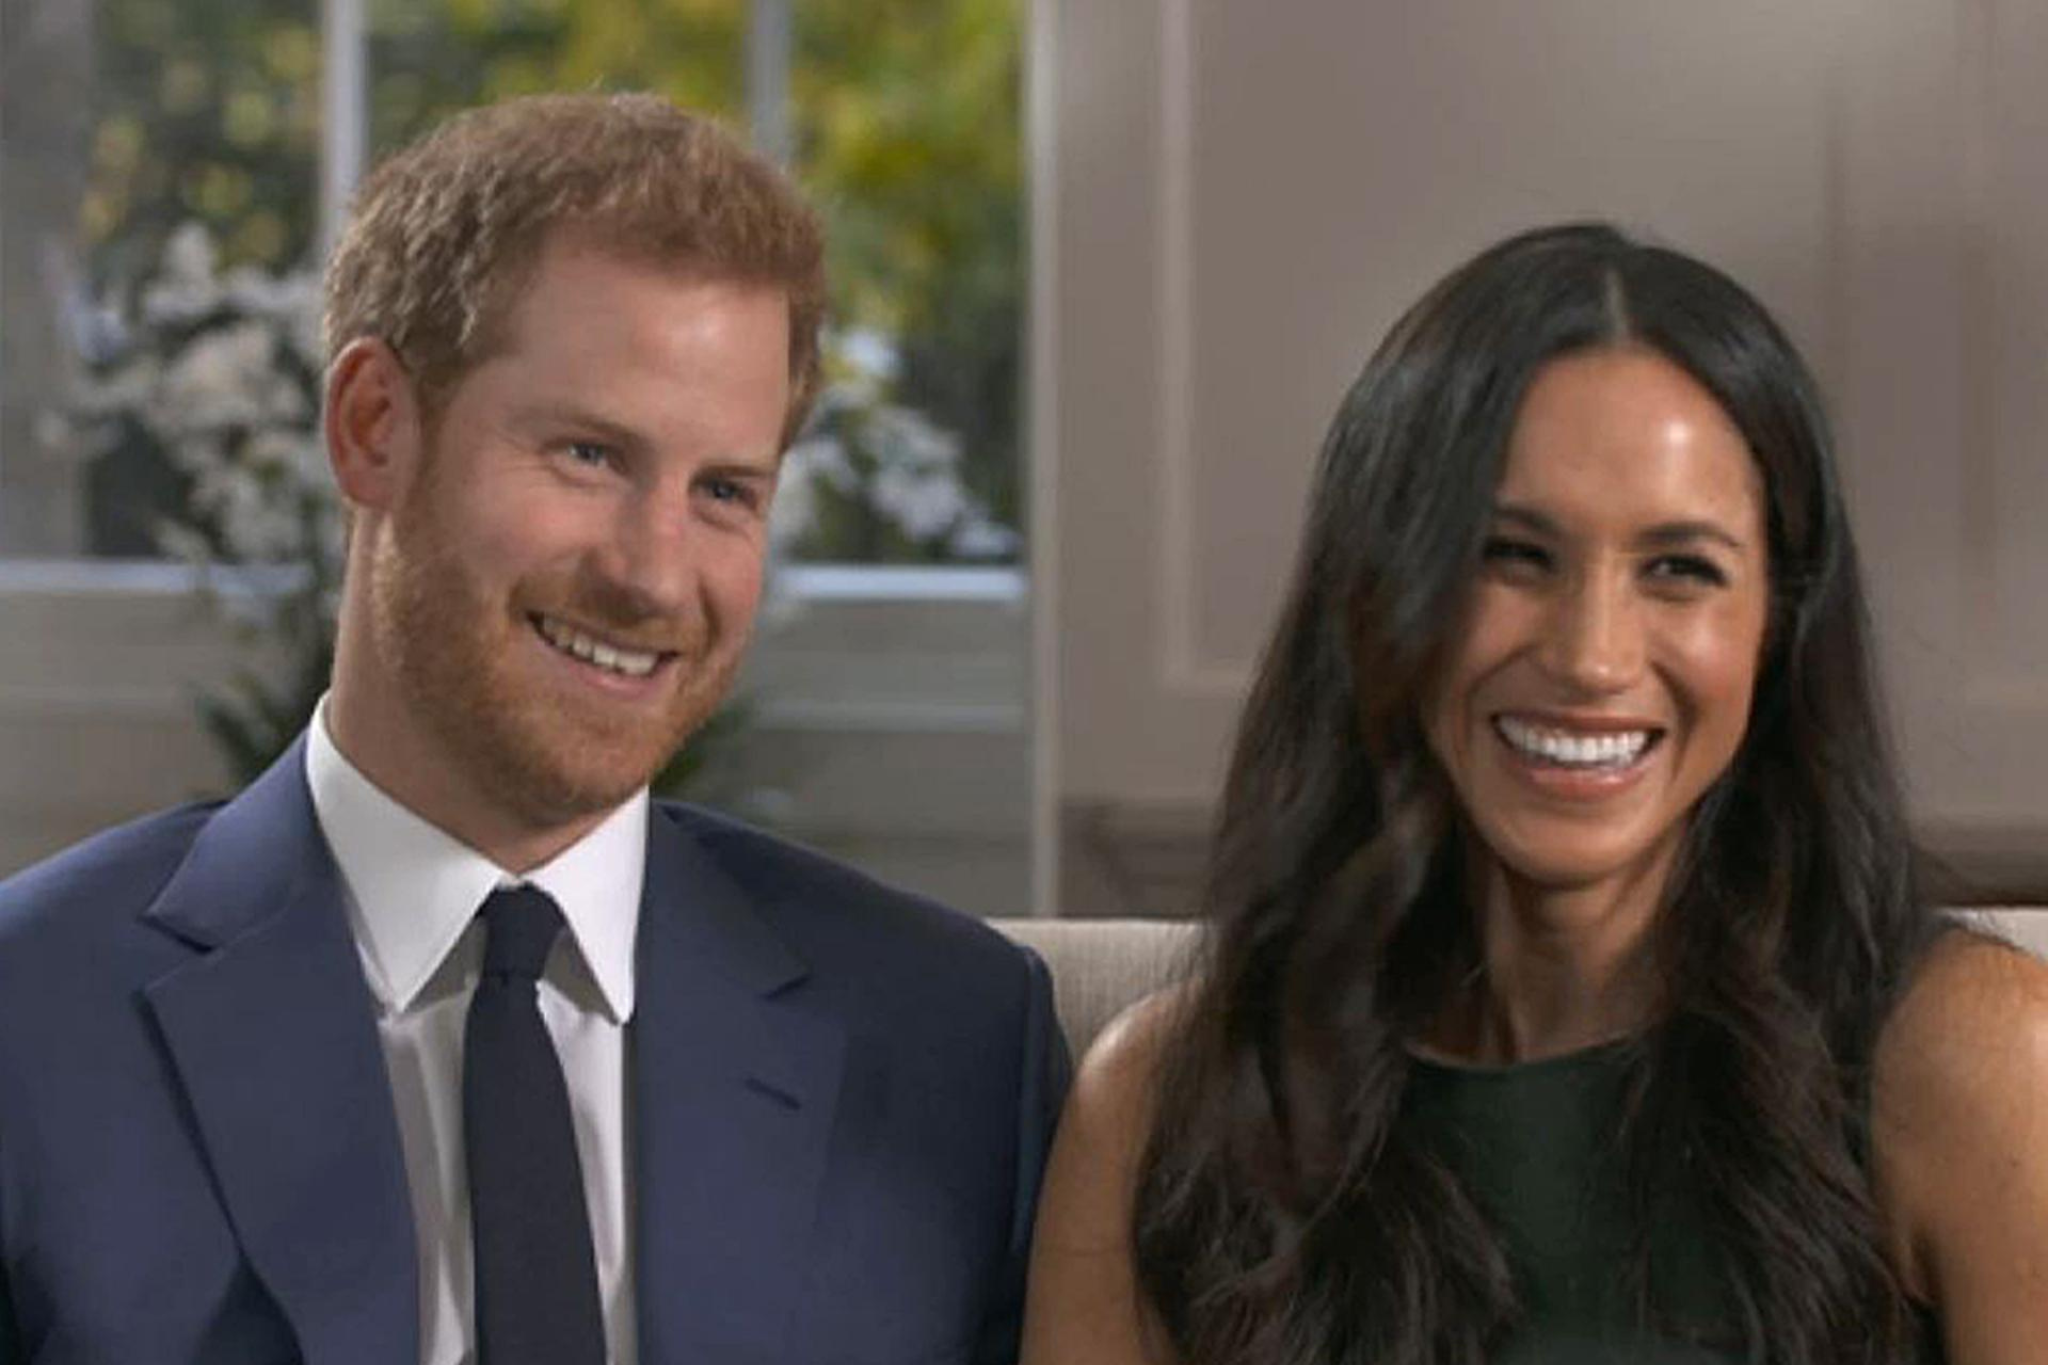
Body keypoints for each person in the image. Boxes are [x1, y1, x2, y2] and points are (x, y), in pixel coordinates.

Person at [0, 93, 1067, 1365]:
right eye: (588, 456)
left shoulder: (953, 1041)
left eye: (723, 490)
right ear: (373, 428)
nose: (655, 577)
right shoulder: (33, 1024)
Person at [1020, 223, 2048, 1364]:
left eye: (1678, 569)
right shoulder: (1161, 1103)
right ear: (1376, 597)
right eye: (1510, 553)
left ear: (1775, 627)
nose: (1591, 656)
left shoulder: (1974, 1062)